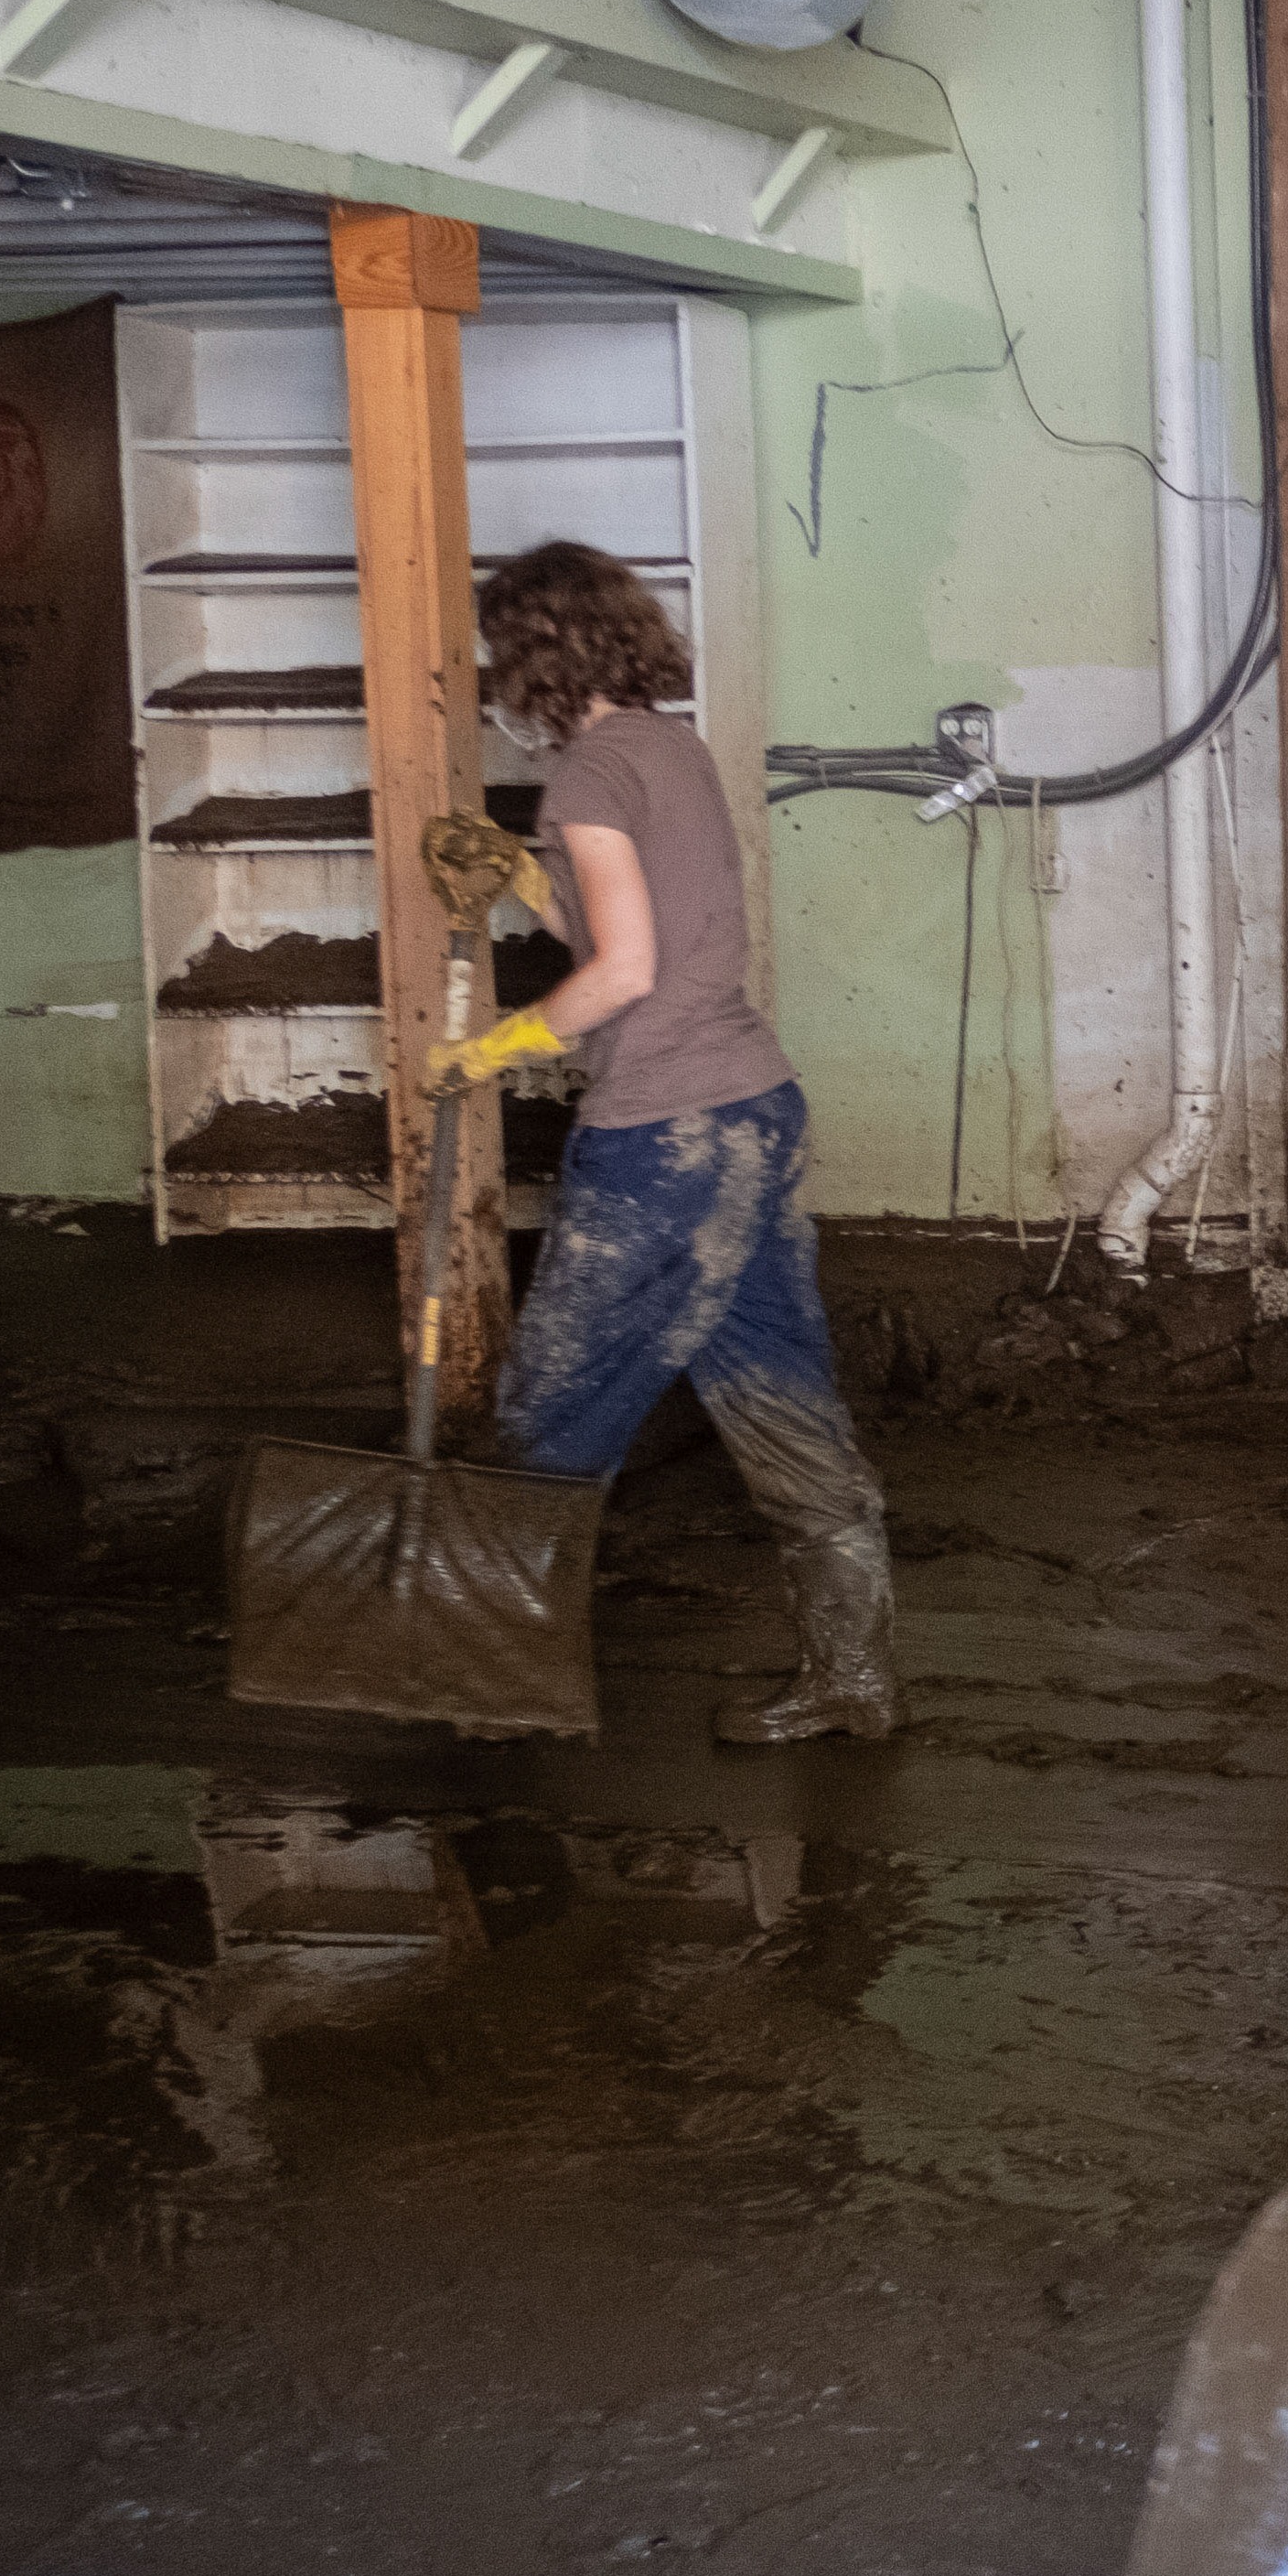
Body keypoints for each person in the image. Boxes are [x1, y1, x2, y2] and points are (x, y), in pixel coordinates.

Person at [422, 541, 902, 1746]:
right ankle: (854, 1679)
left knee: (551, 1410)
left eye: (500, 652)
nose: (495, 675)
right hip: (754, 1110)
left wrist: (489, 1048)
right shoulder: (666, 748)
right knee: (776, 1394)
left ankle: (494, 1693)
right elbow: (646, 926)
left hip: (666, 1139)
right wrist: (524, 879)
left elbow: (625, 971)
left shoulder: (587, 772)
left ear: (537, 653)